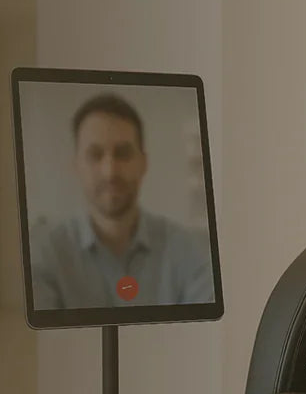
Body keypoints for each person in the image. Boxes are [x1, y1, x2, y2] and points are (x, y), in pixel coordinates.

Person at [30, 93, 214, 310]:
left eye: (123, 154)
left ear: (143, 163)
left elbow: (205, 335)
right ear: (76, 165)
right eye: (95, 155)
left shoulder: (187, 250)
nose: (110, 172)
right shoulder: (46, 253)